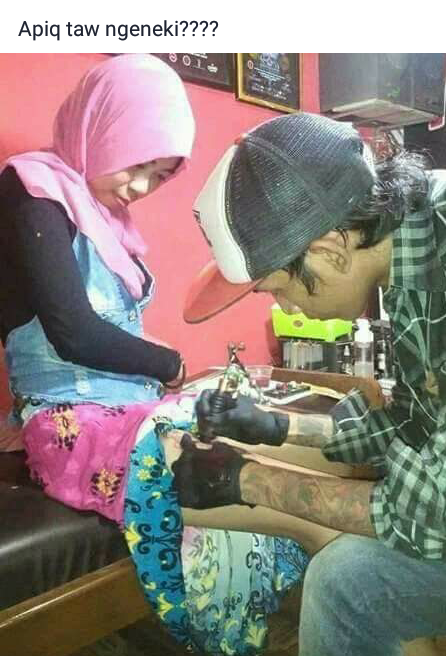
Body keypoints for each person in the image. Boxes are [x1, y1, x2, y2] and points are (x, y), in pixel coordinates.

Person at [0, 55, 314, 655]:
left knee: (239, 415)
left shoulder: (106, 220)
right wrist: (168, 365)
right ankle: (210, 629)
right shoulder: (31, 190)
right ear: (103, 127)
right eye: (137, 164)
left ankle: (256, 608)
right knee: (192, 443)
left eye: (160, 176)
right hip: (67, 419)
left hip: (131, 406)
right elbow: (73, 333)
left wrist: (167, 373)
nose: (141, 189)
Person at [173, 111, 446, 656]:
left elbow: (443, 515)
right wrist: (278, 427)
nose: (284, 307)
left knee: (345, 585)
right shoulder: (410, 247)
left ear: (330, 250)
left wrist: (247, 481)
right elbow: (413, 422)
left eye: (277, 289)